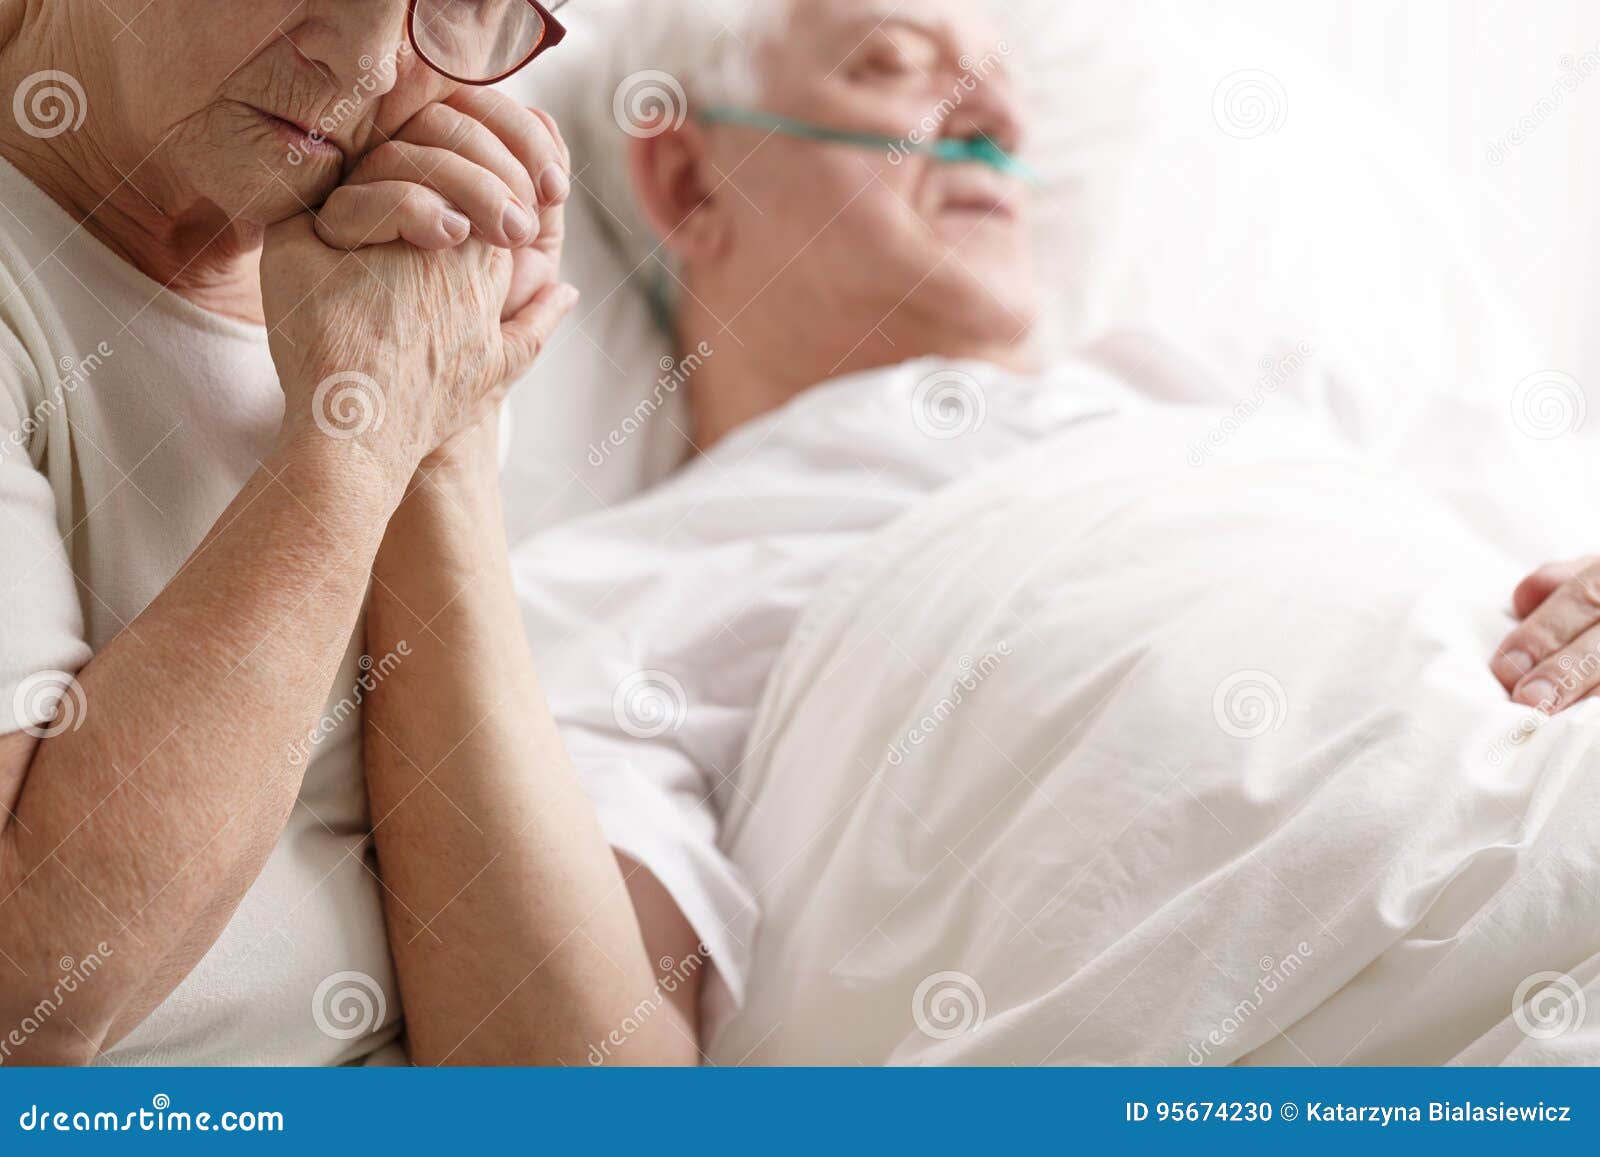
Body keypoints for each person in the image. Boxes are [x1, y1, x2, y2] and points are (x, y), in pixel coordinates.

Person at [510, 0, 1600, 1057]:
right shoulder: (619, 594)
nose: (1000, 122)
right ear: (690, 177)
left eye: (1005, 84)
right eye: (895, 62)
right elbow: (594, 1088)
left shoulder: (1275, 396)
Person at [0, 0, 693, 1066]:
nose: (367, 63)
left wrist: (437, 421)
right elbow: (28, 989)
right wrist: (351, 447)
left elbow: (580, 1086)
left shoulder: (370, 288)